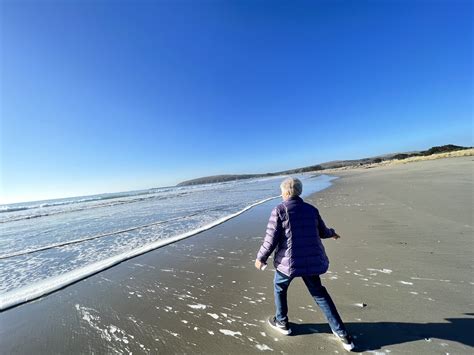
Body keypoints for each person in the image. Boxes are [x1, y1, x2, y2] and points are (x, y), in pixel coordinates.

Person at [255, 177, 355, 352]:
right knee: (319, 294)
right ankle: (343, 334)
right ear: (299, 192)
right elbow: (322, 232)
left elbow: (270, 240)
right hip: (310, 261)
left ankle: (282, 322)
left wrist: (261, 257)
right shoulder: (311, 210)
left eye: (282, 191)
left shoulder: (279, 210)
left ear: (286, 193)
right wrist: (332, 233)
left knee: (279, 288)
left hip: (288, 263)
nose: (281, 194)